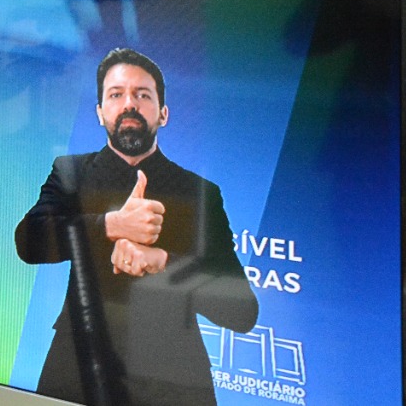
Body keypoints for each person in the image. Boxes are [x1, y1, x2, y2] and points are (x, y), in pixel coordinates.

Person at [14, 48, 258, 406]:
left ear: (163, 112)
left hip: (172, 380)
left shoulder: (201, 193)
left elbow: (241, 311)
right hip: (76, 370)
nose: (130, 104)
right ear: (99, 112)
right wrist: (112, 224)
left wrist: (162, 262)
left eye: (143, 95)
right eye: (116, 94)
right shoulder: (71, 172)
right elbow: (29, 241)